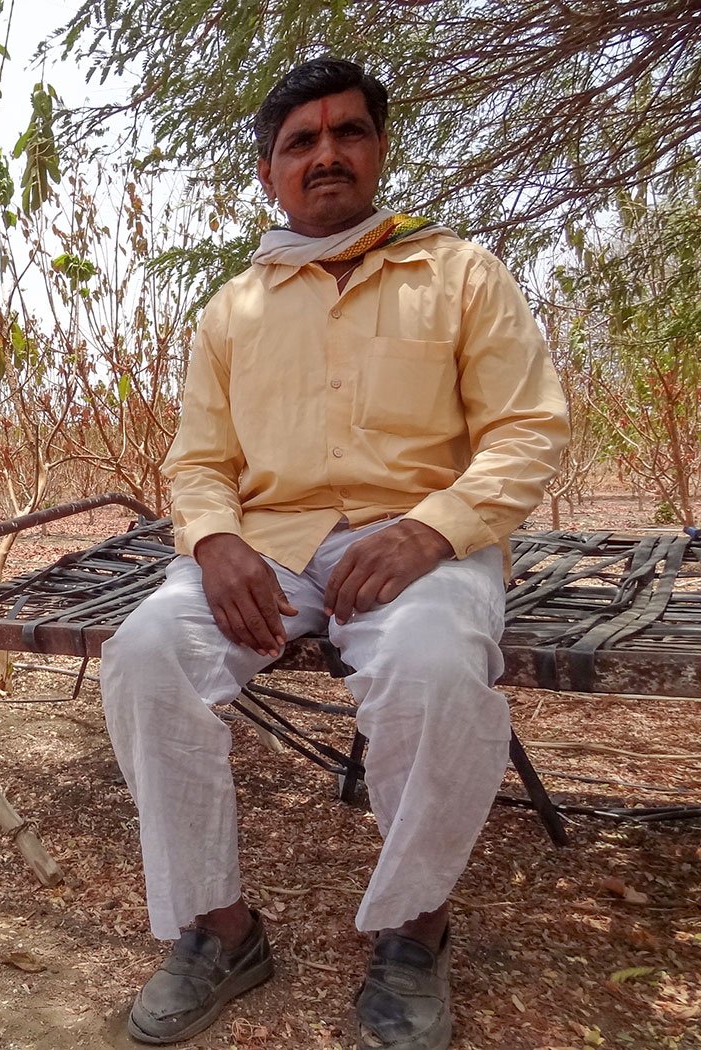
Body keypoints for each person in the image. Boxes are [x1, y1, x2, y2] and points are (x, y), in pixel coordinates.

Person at [100, 58, 569, 1050]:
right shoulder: (233, 309)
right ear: (268, 173)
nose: (324, 154)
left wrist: (430, 529)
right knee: (145, 653)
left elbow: (524, 431)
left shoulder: (459, 275)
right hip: (269, 550)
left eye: (344, 133)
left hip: (424, 549)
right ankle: (217, 930)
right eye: (298, 143)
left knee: (434, 670)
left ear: (377, 150)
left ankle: (412, 934)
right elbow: (196, 461)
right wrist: (214, 539)